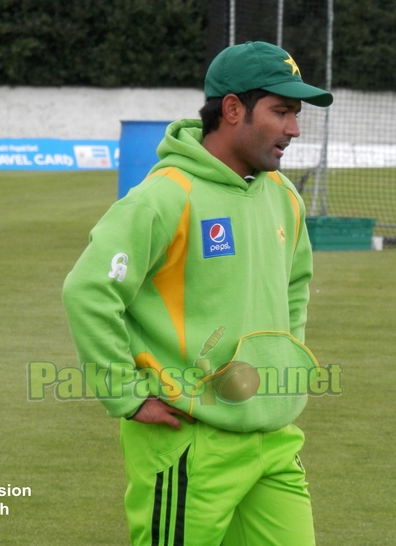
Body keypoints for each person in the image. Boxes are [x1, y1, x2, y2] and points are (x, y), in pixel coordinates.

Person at [63, 41, 333, 546]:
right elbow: (88, 290)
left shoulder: (284, 195)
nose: (294, 130)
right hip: (188, 443)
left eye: (295, 115)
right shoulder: (166, 195)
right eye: (281, 112)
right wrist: (124, 393)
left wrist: (283, 364)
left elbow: (295, 285)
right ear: (233, 109)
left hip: (273, 439)